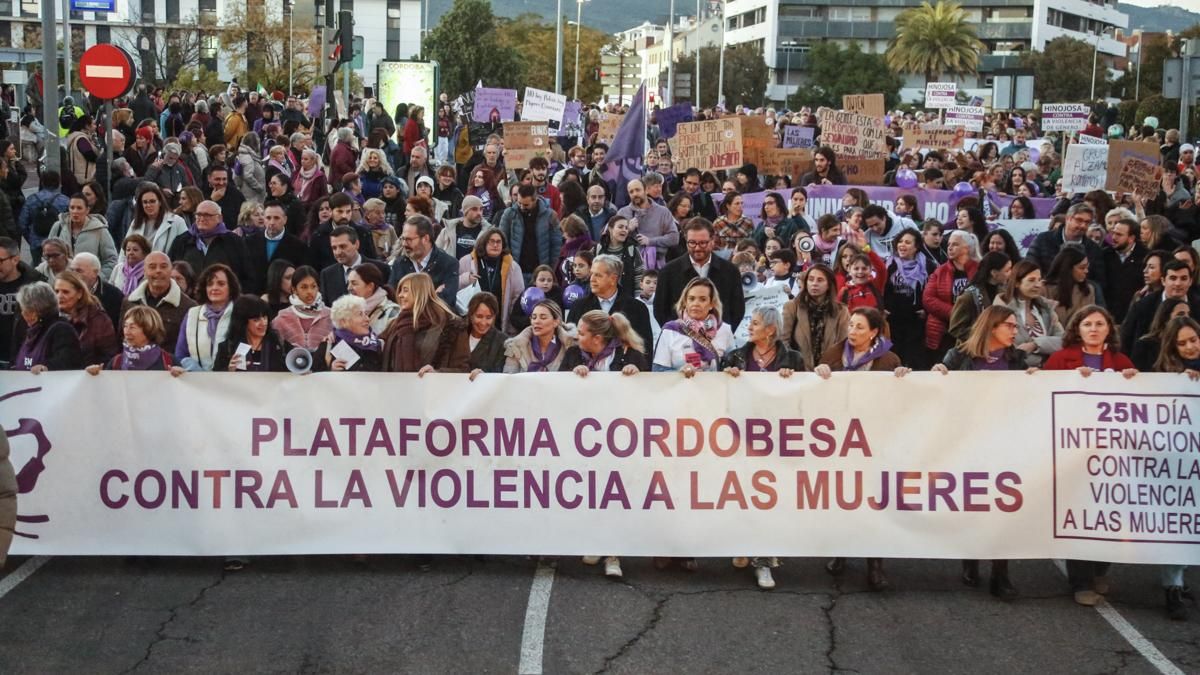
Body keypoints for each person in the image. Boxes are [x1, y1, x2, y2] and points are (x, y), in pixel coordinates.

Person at [1039, 305, 1137, 607]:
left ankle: (1099, 569)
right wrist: (1068, 380)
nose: (1094, 329)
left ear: (1109, 329)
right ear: (1077, 329)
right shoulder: (1060, 360)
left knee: (1110, 513)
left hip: (1112, 455)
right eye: (1087, 324)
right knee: (1080, 514)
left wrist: (1134, 380)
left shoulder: (1121, 362)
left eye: (1099, 324)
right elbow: (1040, 397)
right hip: (1072, 453)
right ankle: (1080, 581)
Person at [934, 305, 1030, 600]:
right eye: (1010, 325)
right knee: (972, 504)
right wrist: (938, 373)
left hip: (1004, 443)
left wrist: (1036, 380)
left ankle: (1001, 574)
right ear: (992, 326)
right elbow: (939, 393)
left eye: (1015, 326)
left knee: (1003, 507)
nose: (1015, 331)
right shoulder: (959, 356)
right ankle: (970, 556)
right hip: (967, 442)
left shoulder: (1017, 360)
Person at [816, 307, 909, 591]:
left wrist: (904, 377)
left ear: (874, 333)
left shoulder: (889, 360)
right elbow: (815, 394)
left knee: (874, 503)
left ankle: (875, 565)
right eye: (851, 325)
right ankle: (841, 552)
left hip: (874, 439)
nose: (852, 331)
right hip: (840, 438)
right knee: (843, 499)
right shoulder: (833, 355)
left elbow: (901, 399)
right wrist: (818, 373)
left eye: (859, 327)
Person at [719, 305, 804, 588]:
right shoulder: (735, 356)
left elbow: (804, 399)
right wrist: (726, 377)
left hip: (776, 440)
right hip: (739, 439)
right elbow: (718, 395)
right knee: (741, 494)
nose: (750, 327)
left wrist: (792, 381)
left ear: (770, 330)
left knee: (768, 499)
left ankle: (765, 560)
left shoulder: (793, 359)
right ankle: (742, 544)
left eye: (755, 323)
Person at [1152, 315, 1200, 620]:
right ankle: (1173, 587)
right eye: (1182, 343)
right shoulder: (1166, 376)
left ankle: (1180, 576)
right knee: (1179, 522)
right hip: (1178, 463)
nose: (1190, 347)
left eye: (1193, 340)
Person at [654, 219, 745, 330]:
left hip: (720, 337)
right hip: (679, 337)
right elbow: (660, 311)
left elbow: (737, 310)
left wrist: (722, 334)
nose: (697, 248)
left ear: (712, 240)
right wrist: (676, 333)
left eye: (703, 243)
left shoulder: (730, 271)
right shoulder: (668, 272)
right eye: (692, 243)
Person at [381, 272, 470, 373]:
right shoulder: (394, 324)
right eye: (400, 291)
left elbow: (462, 368)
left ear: (420, 292)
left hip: (434, 383)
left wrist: (436, 373)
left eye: (405, 290)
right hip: (395, 382)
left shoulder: (451, 326)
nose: (400, 295)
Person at [566, 254, 654, 356]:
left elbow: (645, 349)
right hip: (585, 365)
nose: (592, 279)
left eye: (598, 275)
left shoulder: (637, 308)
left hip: (625, 365)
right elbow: (570, 346)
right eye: (592, 274)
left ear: (613, 279)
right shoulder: (578, 307)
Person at [653, 277, 735, 373]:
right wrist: (679, 372)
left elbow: (734, 364)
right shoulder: (670, 330)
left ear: (711, 304)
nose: (696, 303)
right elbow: (658, 370)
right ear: (685, 302)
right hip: (681, 383)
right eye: (691, 299)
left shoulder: (724, 330)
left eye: (703, 299)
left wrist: (731, 370)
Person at [120, 252, 198, 350]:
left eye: (163, 266)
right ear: (144, 271)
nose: (158, 271)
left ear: (170, 271)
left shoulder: (188, 306)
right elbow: (121, 338)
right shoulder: (129, 302)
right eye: (152, 267)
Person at [923, 230, 981, 361]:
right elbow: (928, 299)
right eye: (949, 244)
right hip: (943, 331)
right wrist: (956, 313)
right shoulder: (940, 271)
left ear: (967, 248)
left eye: (955, 244)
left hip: (971, 329)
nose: (949, 247)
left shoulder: (979, 270)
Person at [780, 265, 849, 371]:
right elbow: (783, 341)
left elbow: (843, 344)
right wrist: (791, 364)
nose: (814, 283)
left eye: (820, 280)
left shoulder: (841, 311)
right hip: (799, 371)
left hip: (829, 372)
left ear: (829, 285)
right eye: (811, 279)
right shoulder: (792, 307)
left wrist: (828, 367)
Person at [884, 228, 936, 367]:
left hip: (917, 320)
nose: (902, 245)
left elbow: (933, 291)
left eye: (907, 242)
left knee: (915, 361)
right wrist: (884, 308)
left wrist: (927, 310)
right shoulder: (889, 264)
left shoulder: (929, 266)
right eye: (900, 241)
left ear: (916, 246)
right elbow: (882, 288)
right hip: (894, 320)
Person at [1121, 260, 1193, 358]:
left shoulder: (1197, 304)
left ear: (1190, 281)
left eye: (1183, 278)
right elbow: (1126, 339)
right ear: (1163, 281)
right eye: (1173, 278)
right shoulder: (1142, 306)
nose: (1178, 283)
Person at [458, 227, 524, 333]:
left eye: (498, 242)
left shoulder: (513, 267)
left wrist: (511, 328)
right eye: (491, 241)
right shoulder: (467, 261)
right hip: (471, 322)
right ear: (484, 243)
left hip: (499, 323)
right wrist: (466, 278)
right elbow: (454, 286)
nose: (495, 245)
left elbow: (517, 297)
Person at [173, 263, 238, 372]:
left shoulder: (239, 313)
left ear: (231, 288)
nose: (214, 288)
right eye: (210, 284)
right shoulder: (192, 314)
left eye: (221, 284)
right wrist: (198, 372)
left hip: (233, 378)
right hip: (197, 379)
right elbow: (181, 355)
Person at [168, 200, 250, 285]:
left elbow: (247, 274)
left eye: (207, 215)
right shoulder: (182, 240)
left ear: (219, 218)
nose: (202, 219)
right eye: (198, 215)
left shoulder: (234, 242)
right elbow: (172, 269)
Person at [1027, 203, 1106, 289]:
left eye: (1087, 222)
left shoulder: (1093, 249)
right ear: (1068, 218)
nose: (1083, 225)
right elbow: (1030, 267)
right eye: (1079, 220)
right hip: (1046, 290)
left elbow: (1098, 281)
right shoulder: (1043, 240)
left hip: (1080, 293)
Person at [388, 215, 460, 308]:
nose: (404, 244)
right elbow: (392, 297)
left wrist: (409, 300)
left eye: (409, 239)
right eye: (403, 239)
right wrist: (433, 296)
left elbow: (446, 301)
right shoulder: (400, 263)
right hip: (406, 316)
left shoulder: (448, 264)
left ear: (425, 238)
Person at [10, 281, 82, 371]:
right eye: (23, 310)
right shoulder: (28, 330)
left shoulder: (62, 330)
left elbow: (68, 361)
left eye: (29, 310)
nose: (24, 314)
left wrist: (46, 367)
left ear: (41, 310)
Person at [500, 184, 563, 285]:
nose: (521, 207)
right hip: (516, 271)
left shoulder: (550, 216)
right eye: (519, 203)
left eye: (526, 205)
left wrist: (550, 269)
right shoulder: (509, 215)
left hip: (540, 273)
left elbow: (556, 244)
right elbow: (503, 241)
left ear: (535, 200)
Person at [947, 252, 1012, 347]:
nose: (1011, 273)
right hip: (974, 349)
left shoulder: (1003, 292)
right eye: (1007, 270)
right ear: (994, 273)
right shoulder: (969, 296)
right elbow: (955, 328)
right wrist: (983, 334)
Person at [54, 270, 118, 367]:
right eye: (57, 291)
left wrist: (95, 369)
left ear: (79, 293)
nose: (59, 296)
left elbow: (109, 356)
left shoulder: (98, 319)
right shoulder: (50, 317)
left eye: (65, 292)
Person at [47, 193, 118, 280]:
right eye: (72, 207)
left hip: (88, 283)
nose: (75, 211)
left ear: (87, 210)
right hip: (62, 281)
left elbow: (111, 259)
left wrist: (97, 278)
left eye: (79, 208)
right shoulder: (59, 227)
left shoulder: (99, 230)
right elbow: (47, 254)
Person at [85, 305, 175, 372]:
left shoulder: (169, 361)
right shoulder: (116, 362)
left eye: (132, 327)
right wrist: (95, 375)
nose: (126, 332)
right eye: (125, 326)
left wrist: (179, 375)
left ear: (149, 329)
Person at [212, 295, 290, 372]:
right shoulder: (227, 348)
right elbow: (216, 376)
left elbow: (292, 370)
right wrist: (229, 370)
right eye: (256, 320)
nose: (263, 323)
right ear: (243, 322)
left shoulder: (279, 344)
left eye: (264, 317)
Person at [308, 294, 384, 372]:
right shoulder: (329, 345)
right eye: (360, 314)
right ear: (343, 322)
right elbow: (315, 375)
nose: (367, 319)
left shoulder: (377, 344)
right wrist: (331, 371)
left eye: (366, 314)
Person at [244, 201, 307, 295]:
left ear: (285, 219)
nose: (272, 222)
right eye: (268, 218)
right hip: (255, 296)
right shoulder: (249, 242)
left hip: (284, 297)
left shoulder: (298, 246)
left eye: (276, 218)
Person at [616, 179, 677, 268]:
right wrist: (628, 229)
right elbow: (612, 239)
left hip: (657, 265)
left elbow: (674, 238)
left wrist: (650, 241)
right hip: (630, 265)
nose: (635, 194)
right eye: (631, 192)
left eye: (638, 190)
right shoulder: (622, 213)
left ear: (646, 190)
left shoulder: (663, 212)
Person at [270, 265, 333, 352]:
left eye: (313, 286)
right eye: (304, 287)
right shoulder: (282, 318)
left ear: (318, 288)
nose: (309, 291)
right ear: (294, 290)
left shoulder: (332, 316)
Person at [503, 298, 574, 373]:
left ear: (556, 322)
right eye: (534, 317)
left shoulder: (571, 346)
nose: (536, 321)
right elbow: (509, 376)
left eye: (543, 318)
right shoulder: (515, 346)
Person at [123, 183, 189, 258]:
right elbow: (125, 250)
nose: (148, 205)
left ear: (160, 202)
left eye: (152, 201)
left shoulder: (177, 222)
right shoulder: (136, 222)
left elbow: (186, 248)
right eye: (145, 202)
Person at [1045, 246, 1106, 326]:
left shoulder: (1088, 290)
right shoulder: (1045, 289)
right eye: (1082, 268)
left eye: (1087, 267)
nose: (1086, 271)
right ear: (1067, 268)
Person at [1131, 298, 1191, 371]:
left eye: (1188, 314)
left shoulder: (1192, 344)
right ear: (1165, 318)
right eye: (1180, 314)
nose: (1187, 318)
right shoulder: (1145, 345)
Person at [348, 263, 401, 335]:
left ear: (370, 286)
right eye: (348, 283)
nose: (349, 288)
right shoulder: (346, 311)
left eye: (354, 283)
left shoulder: (392, 312)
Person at [463, 292, 508, 378]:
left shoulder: (503, 343)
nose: (483, 323)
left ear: (494, 317)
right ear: (471, 315)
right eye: (479, 316)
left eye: (488, 317)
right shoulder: (457, 335)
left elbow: (502, 376)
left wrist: (485, 376)